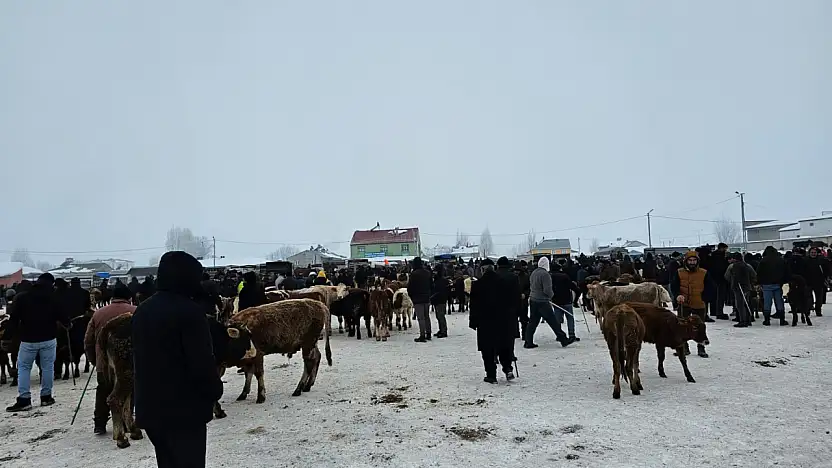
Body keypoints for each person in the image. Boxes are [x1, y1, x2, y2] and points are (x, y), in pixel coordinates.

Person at [132, 251, 223, 468]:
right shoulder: (190, 312)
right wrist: (214, 390)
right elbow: (201, 362)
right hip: (184, 412)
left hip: (151, 409)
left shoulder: (143, 310)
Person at [5, 273, 69, 412]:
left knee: (24, 368)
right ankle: (46, 397)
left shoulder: (23, 297)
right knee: (47, 367)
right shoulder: (53, 297)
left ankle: (24, 399)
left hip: (28, 339)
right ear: (51, 284)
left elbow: (14, 319)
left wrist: (7, 336)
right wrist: (68, 324)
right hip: (49, 338)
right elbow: (63, 316)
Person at [83, 284, 136, 435]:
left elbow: (88, 340)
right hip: (128, 361)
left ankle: (99, 423)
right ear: (129, 298)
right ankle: (125, 421)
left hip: (104, 361)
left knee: (103, 390)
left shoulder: (98, 313)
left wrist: (94, 360)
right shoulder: (136, 312)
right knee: (128, 390)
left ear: (112, 297)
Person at [470, 258, 518, 383]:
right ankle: (508, 368)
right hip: (503, 320)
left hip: (485, 322)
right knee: (504, 345)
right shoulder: (504, 282)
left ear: (482, 269)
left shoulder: (477, 285)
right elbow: (512, 301)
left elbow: (474, 305)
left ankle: (491, 375)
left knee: (487, 349)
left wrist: (473, 322)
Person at [672, 251, 714, 358]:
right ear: (686, 261)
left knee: (700, 326)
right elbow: (674, 286)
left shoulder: (704, 272)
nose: (692, 262)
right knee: (682, 326)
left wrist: (705, 298)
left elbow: (710, 287)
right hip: (683, 303)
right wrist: (677, 295)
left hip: (699, 302)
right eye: (690, 260)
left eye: (694, 260)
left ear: (697, 261)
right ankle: (683, 348)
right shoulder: (679, 272)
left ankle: (701, 348)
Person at [524, 257, 571, 349]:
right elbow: (547, 290)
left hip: (533, 300)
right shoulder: (545, 274)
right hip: (543, 302)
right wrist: (551, 296)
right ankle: (564, 340)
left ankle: (528, 341)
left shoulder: (534, 273)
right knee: (553, 321)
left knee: (532, 322)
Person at [756, 246, 789, 326]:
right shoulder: (781, 260)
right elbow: (786, 271)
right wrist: (784, 281)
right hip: (778, 284)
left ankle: (767, 320)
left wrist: (759, 282)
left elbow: (759, 273)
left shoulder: (763, 261)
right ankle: (782, 319)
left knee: (767, 302)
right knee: (779, 301)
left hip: (766, 285)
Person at [550, 263, 581, 343]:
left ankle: (559, 335)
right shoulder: (565, 276)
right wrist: (577, 293)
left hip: (556, 301)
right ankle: (572, 335)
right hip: (567, 300)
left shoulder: (550, 277)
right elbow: (572, 286)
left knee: (557, 319)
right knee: (570, 318)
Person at [725, 252, 757, 328]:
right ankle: (748, 320)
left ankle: (742, 320)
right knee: (746, 303)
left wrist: (732, 282)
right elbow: (754, 275)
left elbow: (727, 276)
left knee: (740, 304)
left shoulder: (733, 266)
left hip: (738, 287)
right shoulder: (747, 265)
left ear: (734, 259)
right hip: (747, 287)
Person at [408, 257, 433, 342]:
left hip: (417, 299)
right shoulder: (427, 273)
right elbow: (431, 285)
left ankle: (422, 335)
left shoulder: (413, 274)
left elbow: (410, 287)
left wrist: (412, 296)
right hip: (426, 298)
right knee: (427, 316)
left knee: (421, 318)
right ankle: (428, 333)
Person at [806, 247, 830, 317]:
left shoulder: (821, 261)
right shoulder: (806, 261)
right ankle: (808, 309)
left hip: (819, 282)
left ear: (817, 253)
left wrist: (825, 278)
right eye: (812, 252)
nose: (813, 254)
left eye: (814, 252)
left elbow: (826, 270)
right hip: (808, 282)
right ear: (809, 253)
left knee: (819, 298)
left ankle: (818, 310)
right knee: (808, 298)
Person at [430, 268, 449, 338]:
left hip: (440, 300)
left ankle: (443, 331)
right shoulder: (440, 280)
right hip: (438, 300)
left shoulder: (440, 281)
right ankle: (441, 329)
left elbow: (439, 291)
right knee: (438, 316)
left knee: (441, 316)